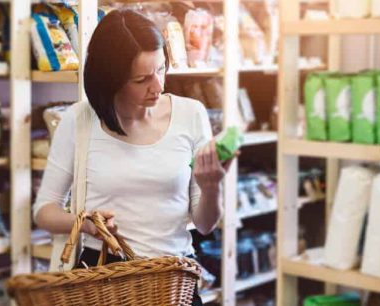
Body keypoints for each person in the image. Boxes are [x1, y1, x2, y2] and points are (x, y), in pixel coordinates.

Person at [33, 9, 233, 305]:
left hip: (173, 279)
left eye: (161, 69)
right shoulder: (80, 120)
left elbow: (204, 224)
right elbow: (44, 210)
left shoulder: (191, 114)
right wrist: (86, 224)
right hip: (103, 278)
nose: (158, 86)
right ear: (110, 80)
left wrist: (213, 185)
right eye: (141, 79)